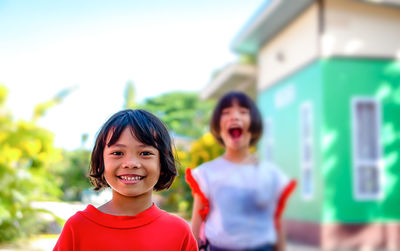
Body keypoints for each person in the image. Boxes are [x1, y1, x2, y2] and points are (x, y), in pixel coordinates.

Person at [54, 109, 198, 251]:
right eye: (117, 153)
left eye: (145, 153)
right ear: (101, 162)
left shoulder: (178, 232)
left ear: (162, 162)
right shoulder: (78, 228)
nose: (130, 163)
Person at [186, 91, 297, 251]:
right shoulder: (207, 173)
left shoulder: (270, 174)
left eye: (243, 112)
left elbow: (276, 223)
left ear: (254, 124)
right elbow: (195, 228)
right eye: (226, 112)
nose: (234, 117)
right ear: (218, 126)